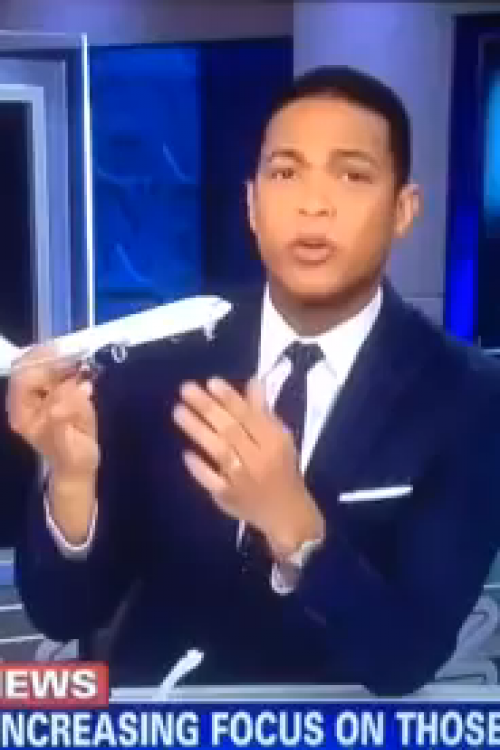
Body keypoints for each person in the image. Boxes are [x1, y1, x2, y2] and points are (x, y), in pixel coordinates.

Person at [8, 66, 500, 697]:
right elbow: (63, 613)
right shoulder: (162, 360)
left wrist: (296, 529)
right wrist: (72, 482)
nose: (313, 204)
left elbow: (407, 658)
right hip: (161, 720)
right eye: (285, 173)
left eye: (352, 175)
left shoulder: (468, 397)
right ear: (251, 203)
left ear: (403, 210)